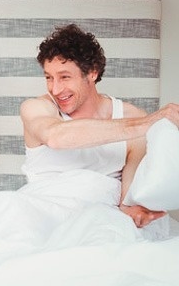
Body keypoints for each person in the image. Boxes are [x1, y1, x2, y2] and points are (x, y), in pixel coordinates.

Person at [20, 23, 179, 228]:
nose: (56, 89)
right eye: (49, 77)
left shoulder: (132, 116)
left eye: (65, 77)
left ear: (92, 72)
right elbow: (56, 137)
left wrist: (134, 212)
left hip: (101, 222)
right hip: (42, 218)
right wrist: (147, 123)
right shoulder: (36, 107)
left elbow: (128, 197)